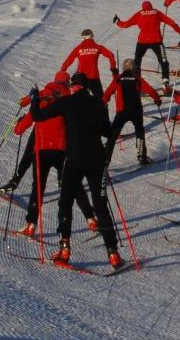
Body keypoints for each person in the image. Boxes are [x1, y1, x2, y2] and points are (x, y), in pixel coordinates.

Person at [29, 72, 124, 271]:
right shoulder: (97, 103)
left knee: (65, 201)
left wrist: (35, 97)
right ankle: (113, 253)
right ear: (87, 86)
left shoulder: (67, 101)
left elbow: (38, 116)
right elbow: (109, 132)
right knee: (101, 206)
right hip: (96, 161)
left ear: (73, 85)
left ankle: (64, 249)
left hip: (74, 160)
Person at [1, 71, 95, 229]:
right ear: (68, 84)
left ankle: (31, 224)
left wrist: (20, 121)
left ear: (54, 80)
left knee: (37, 185)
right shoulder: (69, 98)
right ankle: (90, 217)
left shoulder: (43, 93)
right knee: (74, 184)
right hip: (62, 150)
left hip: (42, 147)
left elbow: (25, 116)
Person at [102, 62, 163, 166]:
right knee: (139, 132)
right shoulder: (137, 78)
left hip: (122, 111)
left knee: (112, 136)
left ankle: (105, 161)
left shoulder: (118, 78)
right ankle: (141, 156)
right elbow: (149, 89)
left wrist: (104, 101)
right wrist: (157, 99)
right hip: (136, 111)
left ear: (124, 68)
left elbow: (108, 92)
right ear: (133, 68)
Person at [113, 0, 180, 91]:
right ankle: (166, 83)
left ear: (143, 8)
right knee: (164, 61)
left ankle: (137, 85)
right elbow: (170, 22)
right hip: (157, 41)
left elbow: (125, 25)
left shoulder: (139, 14)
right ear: (151, 6)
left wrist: (117, 22)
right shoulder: (156, 12)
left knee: (137, 62)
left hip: (142, 42)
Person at [60, 29, 117, 100]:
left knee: (79, 99)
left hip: (80, 78)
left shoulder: (78, 48)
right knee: (101, 100)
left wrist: (63, 70)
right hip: (94, 77)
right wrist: (113, 67)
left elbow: (69, 60)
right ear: (92, 36)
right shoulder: (97, 47)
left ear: (82, 38)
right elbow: (110, 55)